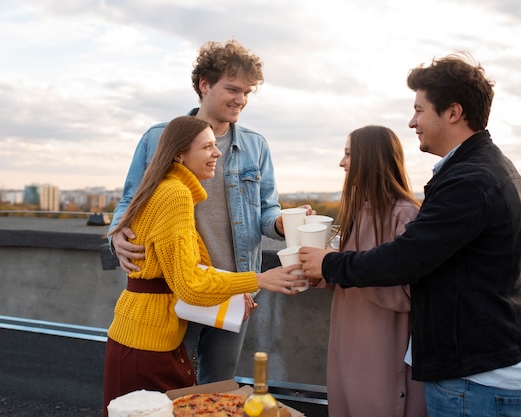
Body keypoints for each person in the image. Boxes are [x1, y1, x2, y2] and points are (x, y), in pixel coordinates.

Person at [300, 53, 521, 417]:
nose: (412, 122)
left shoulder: (470, 180)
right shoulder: (481, 168)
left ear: (453, 112)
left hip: (475, 378)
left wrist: (330, 264)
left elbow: (405, 258)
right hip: (479, 370)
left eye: (419, 109)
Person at [108, 39, 314, 385]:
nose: (241, 99)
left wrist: (280, 223)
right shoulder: (159, 137)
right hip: (176, 289)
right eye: (233, 89)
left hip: (234, 289)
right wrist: (116, 234)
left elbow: (266, 212)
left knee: (216, 389)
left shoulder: (256, 145)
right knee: (171, 391)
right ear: (204, 84)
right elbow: (131, 201)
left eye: (247, 92)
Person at [102, 116, 302, 416]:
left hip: (142, 335)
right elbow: (190, 285)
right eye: (208, 147)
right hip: (148, 345)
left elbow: (185, 272)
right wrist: (260, 279)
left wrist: (235, 295)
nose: (217, 153)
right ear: (179, 154)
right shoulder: (176, 195)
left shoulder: (166, 187)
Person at [321, 125, 426, 417]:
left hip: (383, 352)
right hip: (347, 345)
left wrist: (342, 269)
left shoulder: (404, 214)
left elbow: (411, 295)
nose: (342, 163)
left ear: (371, 158)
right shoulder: (357, 210)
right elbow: (344, 276)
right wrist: (318, 270)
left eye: (349, 154)